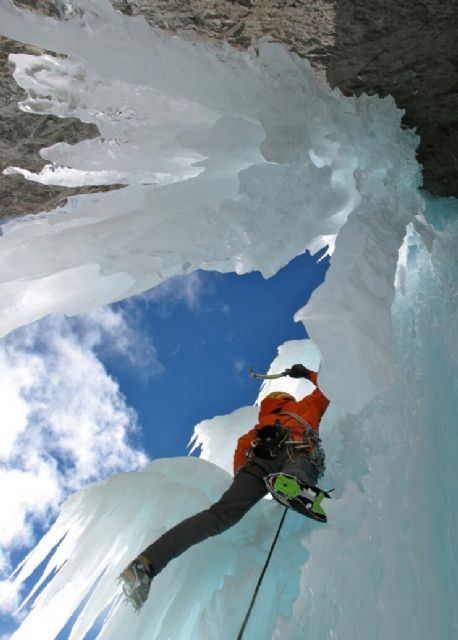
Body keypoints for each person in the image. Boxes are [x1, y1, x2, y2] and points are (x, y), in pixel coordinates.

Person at [120, 363, 330, 610]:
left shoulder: (255, 429)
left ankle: (146, 564)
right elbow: (328, 387)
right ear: (287, 398)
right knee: (301, 467)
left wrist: (246, 485)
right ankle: (296, 485)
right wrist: (306, 374)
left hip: (258, 462)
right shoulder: (305, 406)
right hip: (297, 451)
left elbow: (240, 461)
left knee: (219, 516)